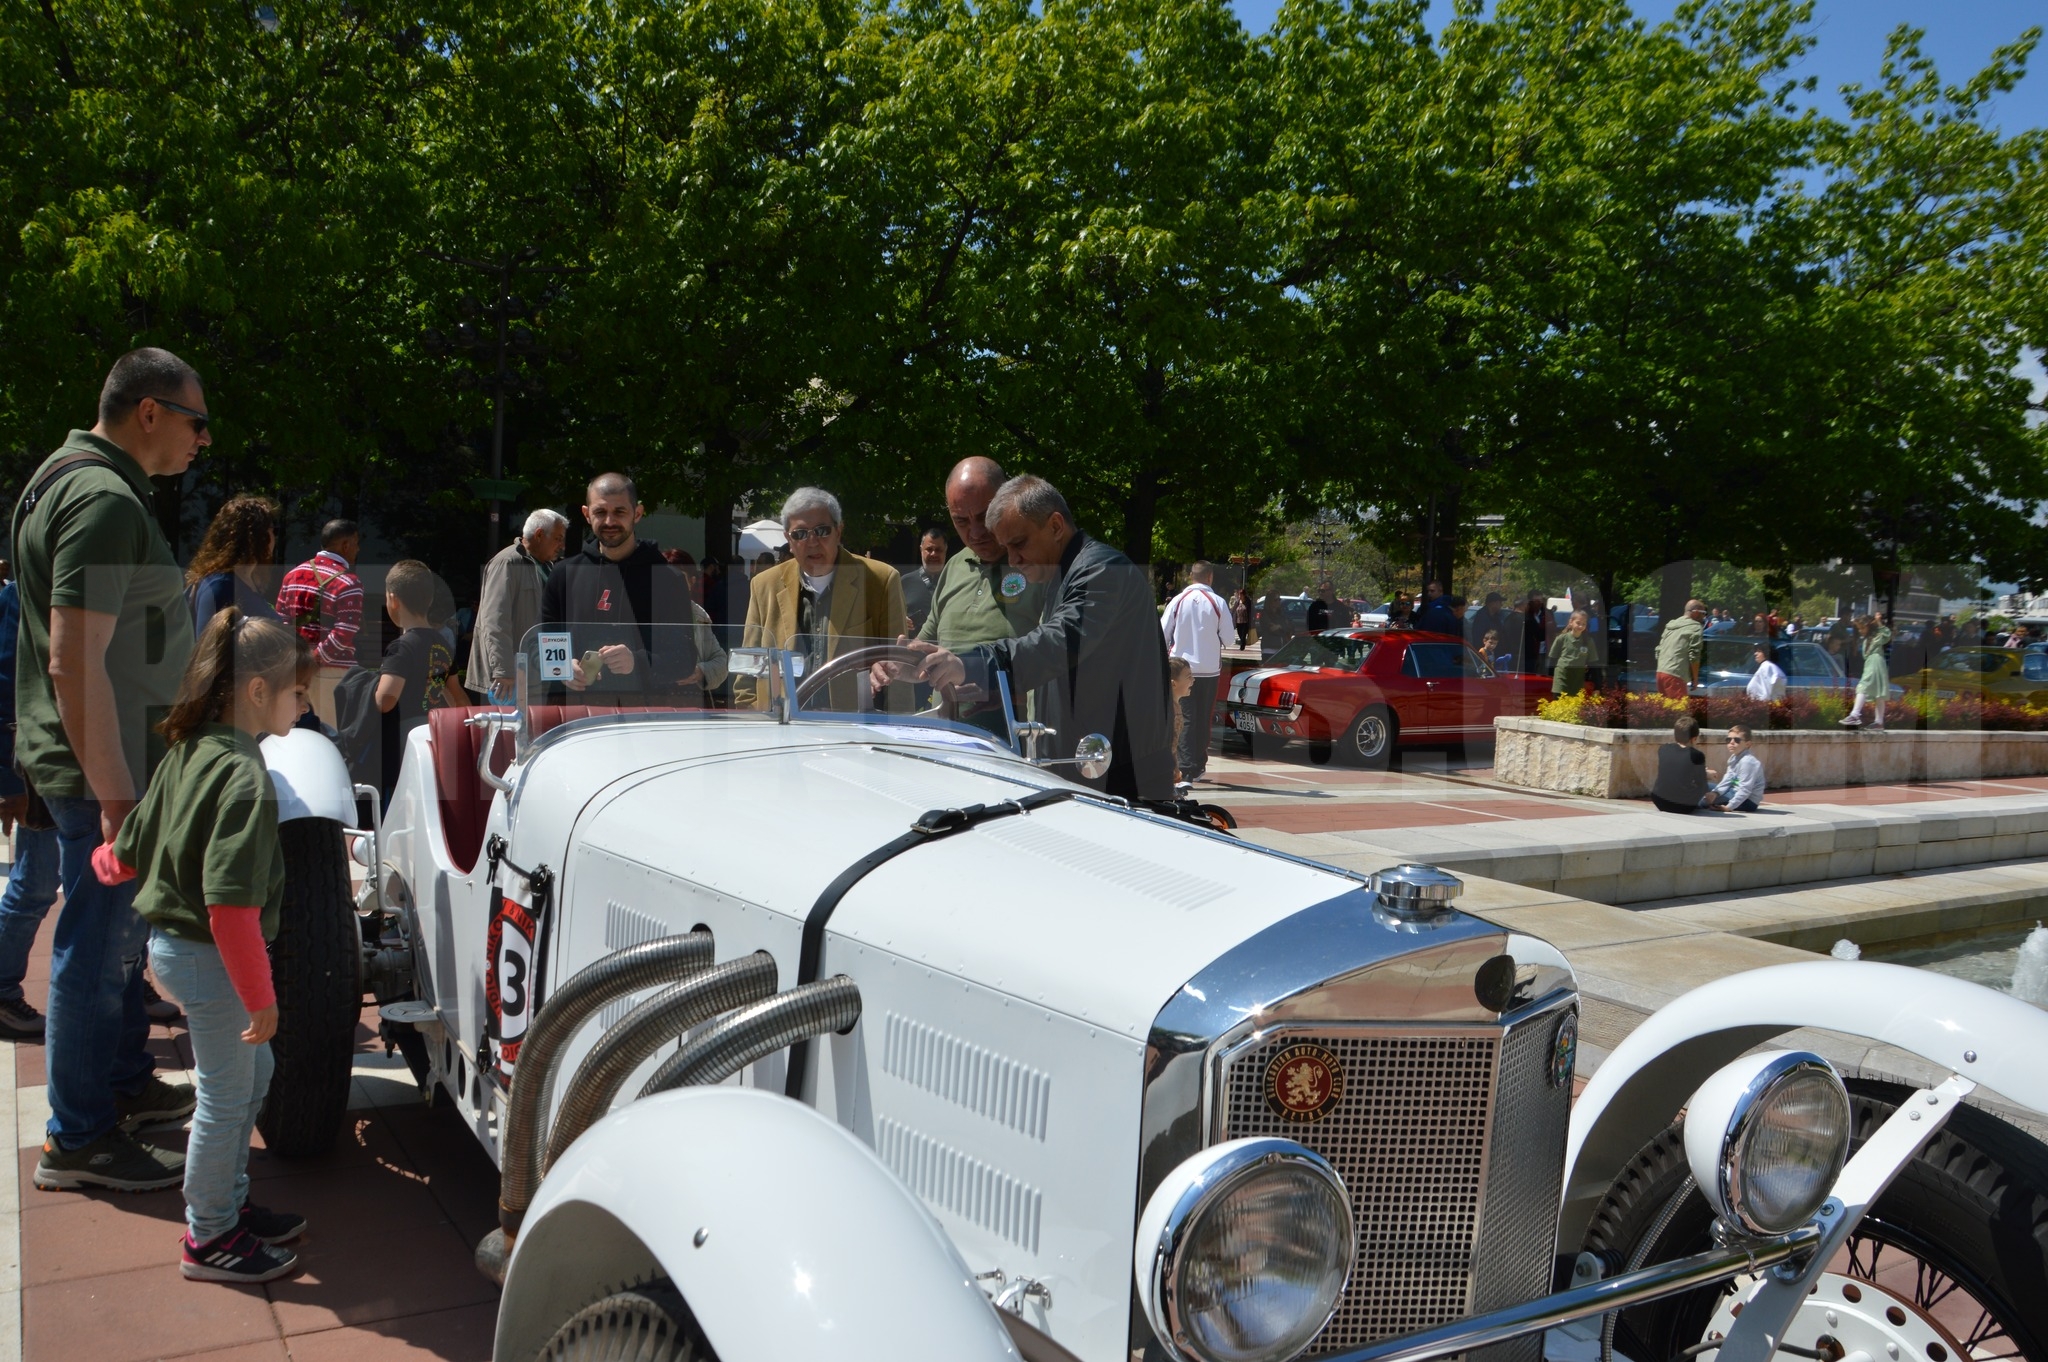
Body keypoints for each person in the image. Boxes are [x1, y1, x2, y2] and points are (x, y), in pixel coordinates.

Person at [18, 347, 202, 1193]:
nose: (203, 439)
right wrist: (118, 795)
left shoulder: (64, 477)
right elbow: (72, 659)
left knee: (117, 943)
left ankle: (118, 1085)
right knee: (99, 947)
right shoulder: (100, 497)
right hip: (108, 766)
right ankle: (80, 1136)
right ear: (151, 412)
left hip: (104, 755)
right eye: (197, 421)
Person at [92, 611, 311, 1281]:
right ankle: (209, 1236)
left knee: (256, 1078)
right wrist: (261, 998)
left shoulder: (189, 750)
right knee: (224, 1095)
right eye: (298, 693)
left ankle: (227, 1204)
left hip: (178, 952)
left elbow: (128, 849)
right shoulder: (247, 778)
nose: (305, 706)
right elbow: (230, 909)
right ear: (255, 693)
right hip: (212, 961)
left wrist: (99, 867)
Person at [911, 476, 1173, 801]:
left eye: (1019, 543)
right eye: (1006, 548)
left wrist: (969, 664)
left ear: (1055, 526)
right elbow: (1071, 666)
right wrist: (1002, 692)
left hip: (1122, 778)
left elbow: (1057, 644)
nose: (1013, 560)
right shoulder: (1063, 573)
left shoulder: (1102, 570)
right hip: (1090, 768)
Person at [738, 487, 903, 710]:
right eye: (800, 534)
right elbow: (748, 671)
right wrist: (752, 722)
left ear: (839, 531)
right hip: (781, 727)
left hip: (853, 730)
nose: (812, 541)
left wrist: (898, 733)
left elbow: (899, 670)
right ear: (788, 538)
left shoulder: (880, 581)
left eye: (822, 530)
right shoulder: (764, 585)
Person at [541, 473, 700, 698]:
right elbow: (543, 646)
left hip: (644, 716)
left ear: (637, 513)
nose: (609, 522)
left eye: (619, 512)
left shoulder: (668, 579)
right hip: (579, 715)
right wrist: (562, 669)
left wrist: (637, 661)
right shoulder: (563, 574)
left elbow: (684, 659)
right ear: (586, 514)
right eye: (600, 512)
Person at [0, 566, 58, 1039]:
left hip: (89, 754)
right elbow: (4, 679)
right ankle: (0, 993)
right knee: (35, 884)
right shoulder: (24, 592)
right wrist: (6, 777)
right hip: (46, 760)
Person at [376, 561, 470, 808]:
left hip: (403, 741)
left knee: (400, 803)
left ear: (393, 600)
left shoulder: (402, 647)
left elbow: (386, 700)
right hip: (433, 734)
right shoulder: (442, 645)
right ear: (429, 601)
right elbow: (451, 693)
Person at [472, 508, 568, 702]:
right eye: (558, 538)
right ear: (539, 534)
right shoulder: (507, 562)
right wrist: (503, 670)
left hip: (538, 676)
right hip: (509, 680)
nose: (562, 546)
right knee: (508, 731)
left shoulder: (549, 567)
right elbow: (494, 621)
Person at [276, 519, 363, 727]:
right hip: (332, 674)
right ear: (345, 545)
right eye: (356, 543)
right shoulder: (349, 582)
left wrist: (298, 660)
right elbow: (343, 634)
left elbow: (280, 624)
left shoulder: (292, 575)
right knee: (334, 739)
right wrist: (314, 661)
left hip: (295, 670)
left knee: (293, 734)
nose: (358, 549)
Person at [1161, 561, 1235, 784]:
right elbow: (1229, 639)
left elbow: (1163, 632)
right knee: (1203, 718)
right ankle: (1196, 765)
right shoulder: (1218, 602)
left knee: (1185, 717)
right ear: (1210, 577)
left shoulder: (1177, 601)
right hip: (1209, 669)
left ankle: (1185, 767)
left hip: (1182, 668)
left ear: (1190, 577)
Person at [186, 496, 280, 632]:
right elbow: (209, 647)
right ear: (255, 536)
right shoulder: (221, 586)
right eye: (272, 530)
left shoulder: (249, 582)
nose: (274, 537)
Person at [1650, 715, 1713, 813]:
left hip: (1659, 801)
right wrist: (1706, 774)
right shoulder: (1697, 755)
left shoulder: (1663, 749)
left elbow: (1676, 768)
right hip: (1683, 806)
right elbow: (1701, 783)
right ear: (1694, 738)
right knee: (1708, 786)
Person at [1840, 615, 1891, 730]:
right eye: (1859, 628)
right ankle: (1879, 722)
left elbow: (1887, 635)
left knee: (1863, 686)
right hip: (1874, 663)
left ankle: (1855, 715)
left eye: (1862, 628)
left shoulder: (1877, 636)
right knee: (1879, 693)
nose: (1860, 631)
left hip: (1875, 663)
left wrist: (1879, 622)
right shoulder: (1867, 640)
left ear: (1869, 627)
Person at [1706, 724, 1766, 811]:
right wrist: (1716, 793)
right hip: (1733, 792)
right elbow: (1728, 779)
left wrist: (1729, 807)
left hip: (1747, 801)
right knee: (1704, 787)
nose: (1731, 742)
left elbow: (1745, 790)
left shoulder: (1748, 762)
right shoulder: (1734, 758)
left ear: (1748, 744)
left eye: (1737, 740)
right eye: (1728, 739)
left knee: (1703, 800)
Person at [1655, 599, 1707, 699]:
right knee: (1679, 711)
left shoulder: (1671, 625)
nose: (1704, 616)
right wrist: (1695, 679)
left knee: (1665, 711)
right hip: (1675, 675)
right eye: (1703, 613)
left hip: (1660, 672)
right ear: (1696, 612)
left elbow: (1658, 650)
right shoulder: (1695, 627)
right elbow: (1694, 655)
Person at [900, 528, 947, 636]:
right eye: (929, 549)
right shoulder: (904, 582)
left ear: (946, 550)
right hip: (912, 649)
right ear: (921, 549)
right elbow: (890, 616)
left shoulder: (955, 581)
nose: (933, 554)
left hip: (946, 649)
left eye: (939, 550)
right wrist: (901, 620)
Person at [1548, 610, 1595, 696]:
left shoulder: (1588, 641)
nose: (1580, 626)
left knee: (1575, 706)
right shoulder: (1561, 638)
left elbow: (1593, 662)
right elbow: (1552, 659)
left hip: (1577, 679)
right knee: (1559, 704)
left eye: (1583, 624)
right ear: (1571, 622)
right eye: (1578, 623)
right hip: (1561, 678)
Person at [1167, 657, 1194, 783]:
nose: (1193, 681)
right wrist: (1174, 769)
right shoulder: (1172, 710)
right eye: (1188, 677)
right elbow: (1170, 744)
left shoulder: (1174, 706)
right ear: (1173, 683)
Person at [1467, 592, 1512, 657]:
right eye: (1499, 602)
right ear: (1492, 603)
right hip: (1485, 656)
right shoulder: (1482, 617)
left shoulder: (1496, 616)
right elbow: (1478, 638)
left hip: (1496, 654)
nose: (1501, 605)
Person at [1256, 589, 1290, 658]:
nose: (1278, 602)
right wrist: (1281, 627)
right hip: (1268, 649)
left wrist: (1280, 626)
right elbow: (1272, 628)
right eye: (1275, 600)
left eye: (1279, 599)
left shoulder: (1281, 614)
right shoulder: (1264, 614)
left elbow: (1288, 627)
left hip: (1281, 649)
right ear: (1270, 601)